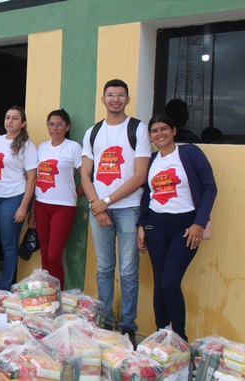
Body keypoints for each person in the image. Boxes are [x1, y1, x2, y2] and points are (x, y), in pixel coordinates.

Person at [81, 79, 151, 347]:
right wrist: (96, 204)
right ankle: (105, 321)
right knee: (103, 268)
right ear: (103, 99)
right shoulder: (93, 132)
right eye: (110, 95)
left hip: (129, 208)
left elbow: (140, 175)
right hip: (99, 209)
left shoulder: (138, 129)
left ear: (127, 99)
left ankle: (127, 325)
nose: (115, 99)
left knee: (129, 270)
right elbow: (86, 174)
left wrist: (106, 201)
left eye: (121, 95)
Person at [137, 114, 217, 341]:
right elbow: (146, 195)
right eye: (154, 131)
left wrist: (199, 223)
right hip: (156, 226)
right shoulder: (151, 160)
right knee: (160, 283)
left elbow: (210, 188)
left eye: (164, 129)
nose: (159, 134)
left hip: (186, 227)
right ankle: (162, 335)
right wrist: (142, 225)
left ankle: (180, 339)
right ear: (150, 136)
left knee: (170, 282)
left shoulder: (190, 153)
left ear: (173, 131)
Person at [0, 106, 37, 297]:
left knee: (8, 243)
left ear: (23, 123)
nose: (10, 121)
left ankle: (3, 288)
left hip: (13, 197)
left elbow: (32, 178)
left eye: (15, 118)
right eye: (8, 117)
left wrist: (24, 207)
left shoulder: (27, 146)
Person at [31, 109, 82, 289]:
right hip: (41, 204)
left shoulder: (73, 147)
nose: (55, 128)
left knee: (54, 256)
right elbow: (35, 178)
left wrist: (75, 193)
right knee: (44, 254)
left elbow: (86, 178)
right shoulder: (42, 147)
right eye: (51, 124)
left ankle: (57, 296)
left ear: (67, 127)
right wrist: (32, 212)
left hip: (64, 207)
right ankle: (47, 299)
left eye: (60, 124)